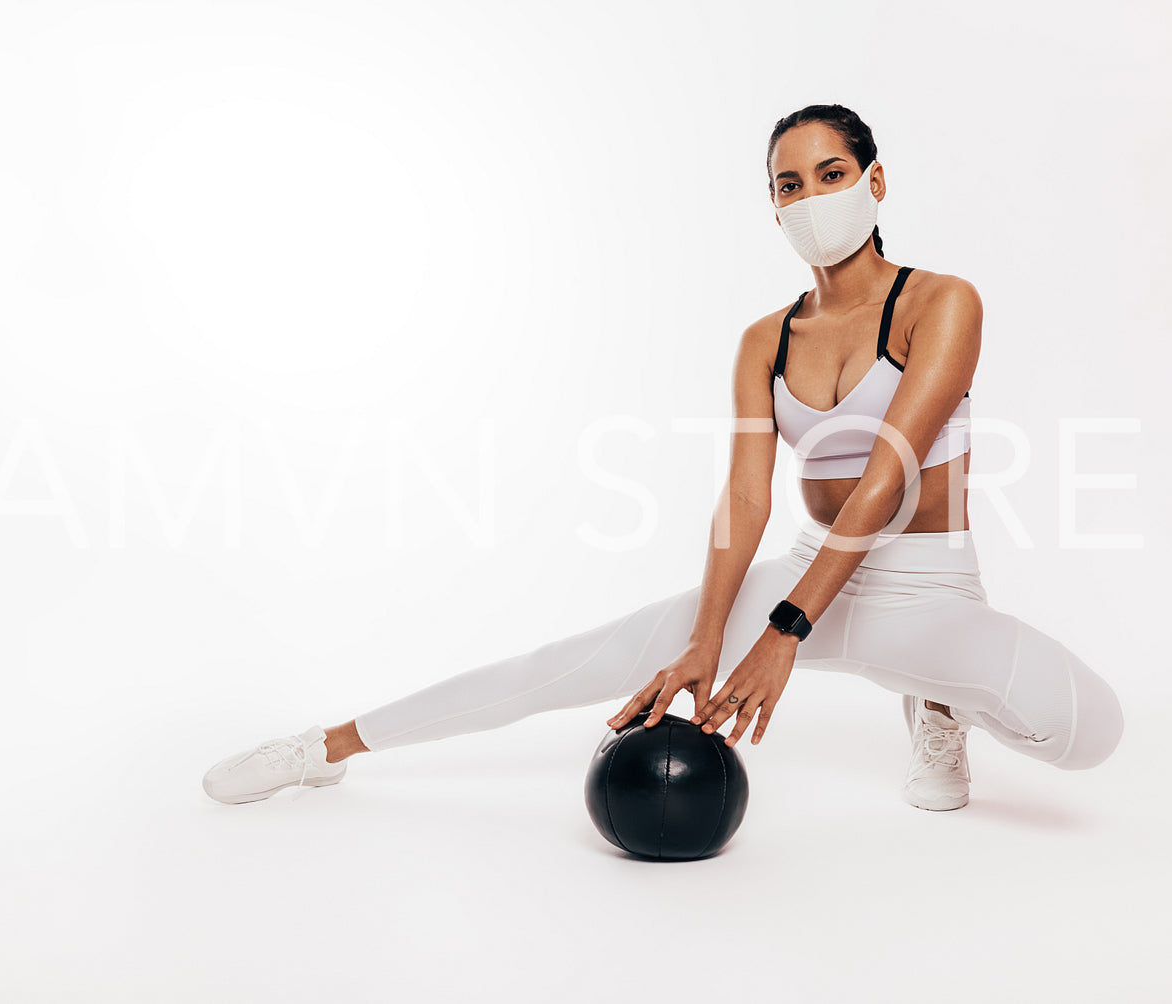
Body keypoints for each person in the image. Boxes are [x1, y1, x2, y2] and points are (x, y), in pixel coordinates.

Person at [201, 103, 1125, 813]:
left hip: (925, 589)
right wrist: (707, 636)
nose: (808, 198)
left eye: (829, 173)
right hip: (808, 577)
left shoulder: (941, 301)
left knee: (1087, 733)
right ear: (772, 206)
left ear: (875, 182)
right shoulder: (764, 339)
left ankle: (932, 698)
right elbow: (743, 500)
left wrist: (779, 638)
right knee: (563, 665)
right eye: (787, 185)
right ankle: (320, 749)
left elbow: (885, 481)